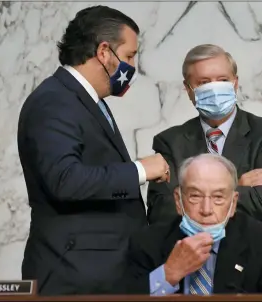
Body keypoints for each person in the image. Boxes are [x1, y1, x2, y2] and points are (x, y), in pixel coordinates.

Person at [17, 6, 170, 295]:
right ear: (103, 52)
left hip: (105, 274)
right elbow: (65, 179)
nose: (132, 67)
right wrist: (140, 169)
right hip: (75, 277)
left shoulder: (86, 101)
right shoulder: (55, 100)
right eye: (129, 56)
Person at [147, 44, 262, 229]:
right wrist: (234, 186)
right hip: (189, 253)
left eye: (222, 80)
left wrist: (193, 196)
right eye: (204, 82)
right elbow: (160, 211)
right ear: (188, 88)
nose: (215, 89)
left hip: (251, 253)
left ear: (235, 83)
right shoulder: (170, 142)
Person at [126, 154, 262, 295]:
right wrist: (169, 273)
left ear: (233, 203)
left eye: (218, 197)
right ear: (178, 201)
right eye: (195, 196)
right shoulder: (147, 242)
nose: (206, 210)